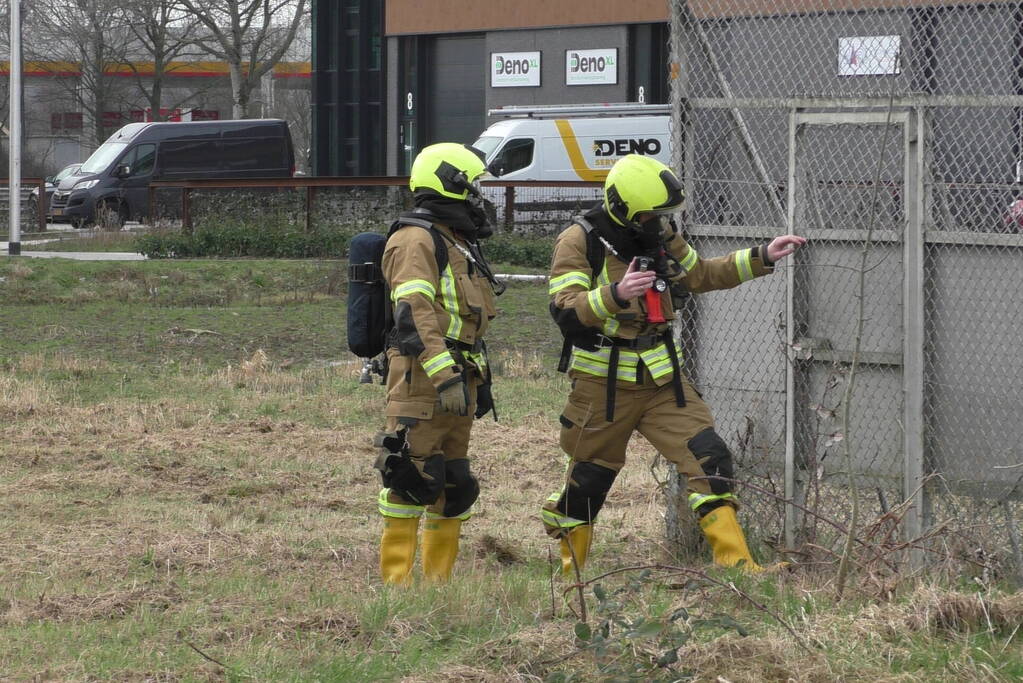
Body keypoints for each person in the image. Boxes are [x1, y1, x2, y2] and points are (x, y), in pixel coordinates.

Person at [540, 154, 805, 575]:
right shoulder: (578, 240)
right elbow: (566, 309)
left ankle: (739, 568)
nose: (659, 222)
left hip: (664, 382)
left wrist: (762, 256)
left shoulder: (660, 233)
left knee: (709, 457)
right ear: (624, 208)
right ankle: (569, 580)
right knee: (588, 482)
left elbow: (699, 275)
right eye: (651, 214)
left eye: (663, 215)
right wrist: (616, 292)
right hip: (601, 387)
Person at [374, 142, 502, 585]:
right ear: (451, 185)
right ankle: (397, 586)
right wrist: (444, 374)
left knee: (454, 484)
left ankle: (437, 586)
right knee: (412, 477)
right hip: (424, 377)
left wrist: (466, 377)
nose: (479, 197)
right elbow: (414, 311)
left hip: (457, 374)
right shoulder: (415, 239)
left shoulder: (455, 240)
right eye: (474, 187)